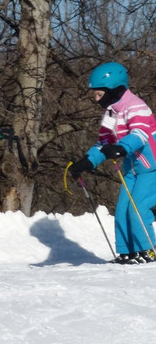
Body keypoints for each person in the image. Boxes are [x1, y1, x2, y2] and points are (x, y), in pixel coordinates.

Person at [66, 62, 156, 264]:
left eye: (99, 95)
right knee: (123, 209)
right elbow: (104, 142)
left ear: (114, 90)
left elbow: (140, 133)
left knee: (138, 209)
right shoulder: (111, 113)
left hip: (152, 168)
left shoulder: (136, 106)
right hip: (133, 171)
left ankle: (149, 251)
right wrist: (88, 161)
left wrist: (122, 147)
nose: (96, 100)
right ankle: (128, 252)